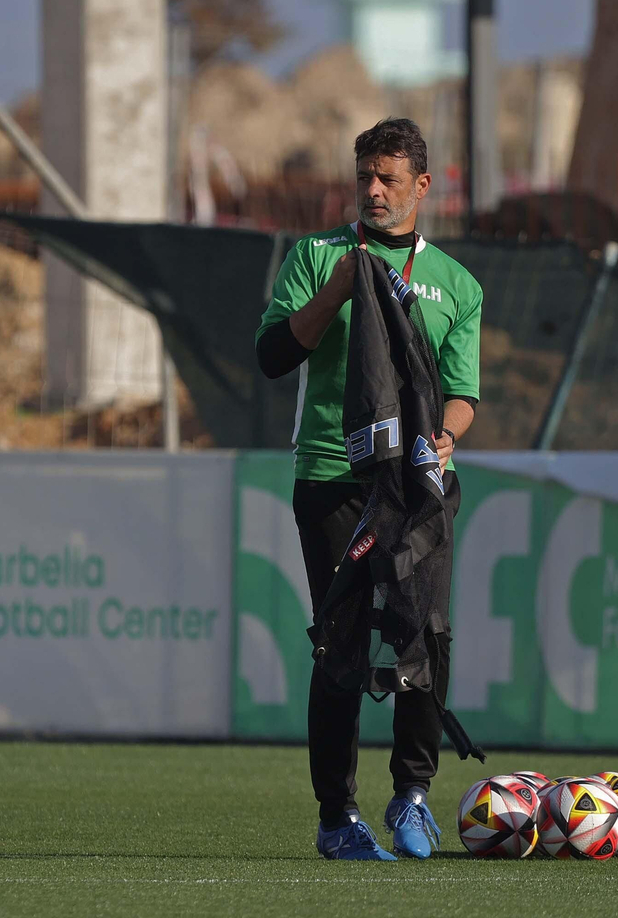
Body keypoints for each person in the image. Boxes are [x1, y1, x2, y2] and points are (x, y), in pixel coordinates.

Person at [255, 118, 482, 861]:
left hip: (417, 487)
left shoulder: (457, 284)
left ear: (422, 186)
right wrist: (339, 291)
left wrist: (446, 434)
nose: (374, 190)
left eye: (388, 178)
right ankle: (335, 819)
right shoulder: (316, 257)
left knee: (425, 633)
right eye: (364, 178)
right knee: (342, 646)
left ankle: (413, 798)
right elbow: (272, 355)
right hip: (331, 477)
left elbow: (464, 394)